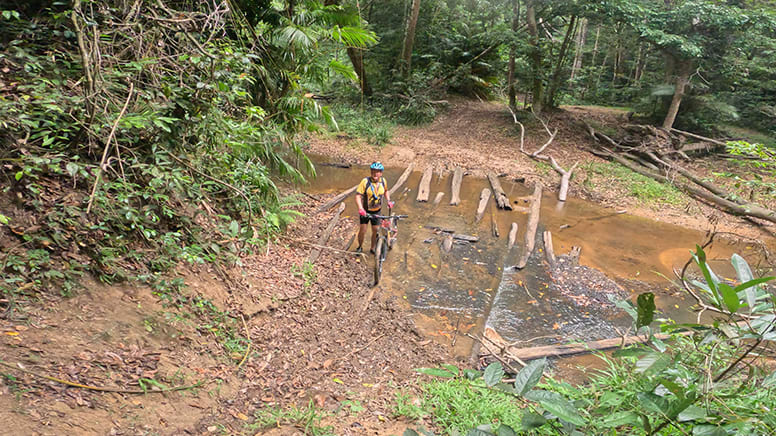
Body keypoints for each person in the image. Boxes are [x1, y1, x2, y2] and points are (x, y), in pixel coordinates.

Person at [355, 162, 394, 254]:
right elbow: (358, 196)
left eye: (377, 172)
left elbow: (386, 191)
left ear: (381, 173)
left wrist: (389, 200)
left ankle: (372, 248)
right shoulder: (365, 182)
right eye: (373, 171)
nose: (375, 174)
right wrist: (360, 208)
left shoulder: (383, 181)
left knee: (375, 230)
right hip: (365, 211)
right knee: (363, 230)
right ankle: (360, 246)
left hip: (377, 211)